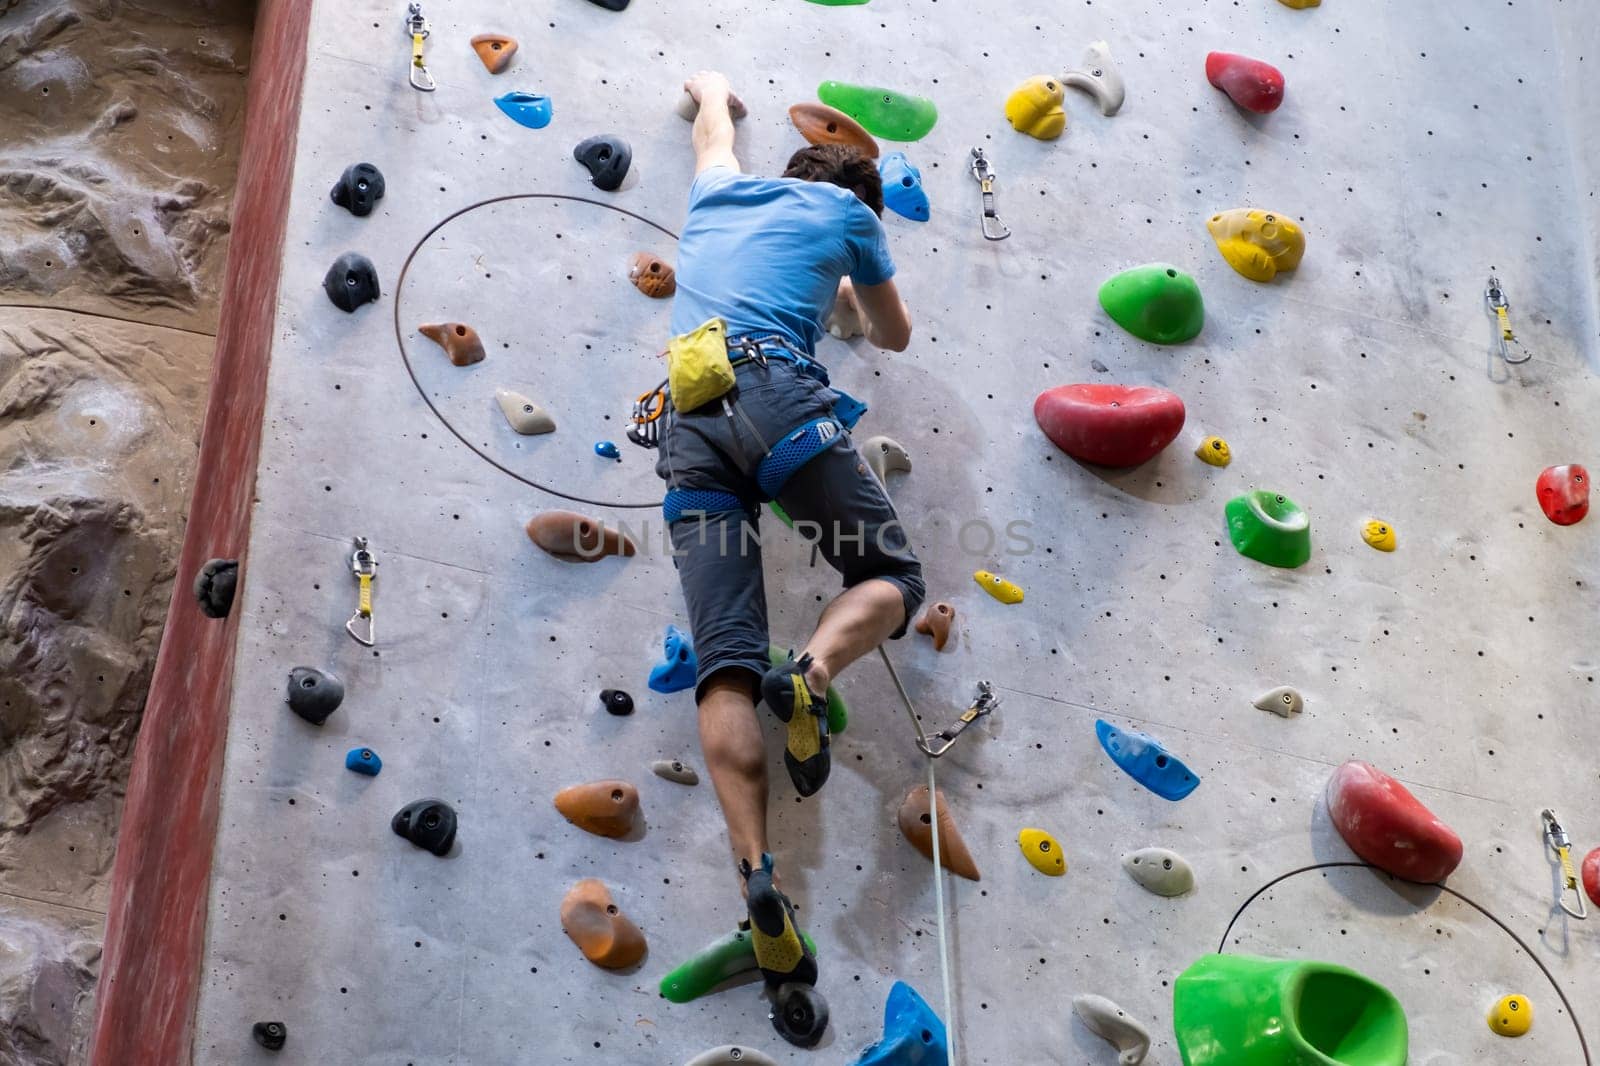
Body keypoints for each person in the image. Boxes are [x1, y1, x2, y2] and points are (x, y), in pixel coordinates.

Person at [654, 70, 925, 996]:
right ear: (860, 200)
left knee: (723, 661)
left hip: (689, 421)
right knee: (891, 577)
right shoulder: (850, 215)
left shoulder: (720, 190)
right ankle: (809, 677)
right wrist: (846, 292)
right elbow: (891, 335)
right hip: (777, 395)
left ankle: (759, 885)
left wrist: (714, 88)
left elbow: (713, 129)